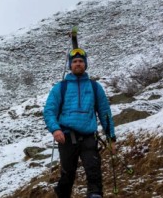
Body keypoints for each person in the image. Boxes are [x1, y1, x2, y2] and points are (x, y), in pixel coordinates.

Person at [42, 48, 116, 198]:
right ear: (70, 65)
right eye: (75, 61)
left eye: (81, 61)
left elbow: (105, 113)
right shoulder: (60, 88)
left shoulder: (95, 87)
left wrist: (111, 137)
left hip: (89, 137)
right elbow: (49, 111)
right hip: (66, 137)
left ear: (85, 64)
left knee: (93, 170)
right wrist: (55, 130)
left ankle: (95, 195)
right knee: (67, 175)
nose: (78, 64)